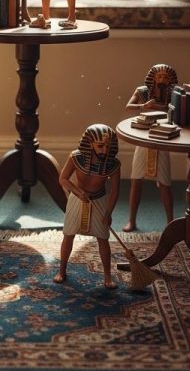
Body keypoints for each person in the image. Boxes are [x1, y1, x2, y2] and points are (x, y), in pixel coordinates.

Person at [55, 124, 121, 288]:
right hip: (78, 199)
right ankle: (61, 270)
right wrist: (77, 192)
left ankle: (107, 276)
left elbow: (115, 191)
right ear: (89, 144)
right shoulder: (76, 158)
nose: (104, 150)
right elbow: (63, 179)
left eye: (107, 146)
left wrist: (109, 212)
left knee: (103, 239)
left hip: (99, 200)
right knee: (68, 235)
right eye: (100, 146)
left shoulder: (113, 164)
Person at [124, 63, 177, 232]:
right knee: (136, 181)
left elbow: (175, 112)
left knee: (164, 183)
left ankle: (170, 222)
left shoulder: (173, 94)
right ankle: (131, 220)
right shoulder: (142, 92)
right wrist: (144, 106)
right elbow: (128, 107)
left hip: (162, 138)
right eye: (159, 76)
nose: (162, 79)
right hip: (144, 137)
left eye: (165, 77)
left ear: (170, 80)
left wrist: (161, 107)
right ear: (153, 77)